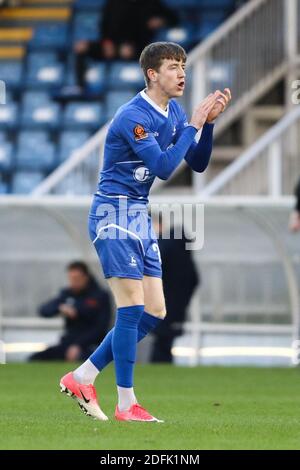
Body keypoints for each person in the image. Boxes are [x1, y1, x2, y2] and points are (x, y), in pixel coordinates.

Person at [60, 41, 231, 422]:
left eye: (183, 65)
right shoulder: (133, 116)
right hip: (112, 213)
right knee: (133, 307)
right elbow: (164, 166)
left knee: (154, 311)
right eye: (173, 66)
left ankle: (83, 375)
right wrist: (194, 125)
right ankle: (126, 404)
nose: (181, 73)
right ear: (153, 74)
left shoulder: (174, 112)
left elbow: (197, 163)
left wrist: (209, 123)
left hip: (138, 213)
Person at [72, 0, 178, 93]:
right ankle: (80, 87)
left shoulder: (151, 2)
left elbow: (174, 18)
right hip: (111, 44)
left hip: (138, 47)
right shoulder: (114, 2)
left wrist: (160, 21)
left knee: (127, 51)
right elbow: (104, 25)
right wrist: (107, 43)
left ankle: (133, 90)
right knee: (81, 47)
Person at [29, 261, 112, 362]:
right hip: (67, 343)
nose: (73, 282)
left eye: (77, 279)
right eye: (71, 278)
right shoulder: (67, 294)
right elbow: (44, 311)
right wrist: (60, 308)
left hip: (91, 345)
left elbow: (100, 327)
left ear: (86, 277)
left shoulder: (100, 296)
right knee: (35, 358)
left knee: (86, 360)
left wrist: (78, 345)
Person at [150, 218, 200, 363]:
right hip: (175, 305)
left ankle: (159, 369)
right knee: (164, 342)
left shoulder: (163, 247)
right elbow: (194, 279)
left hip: (163, 303)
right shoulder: (181, 250)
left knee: (161, 343)